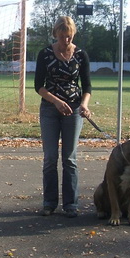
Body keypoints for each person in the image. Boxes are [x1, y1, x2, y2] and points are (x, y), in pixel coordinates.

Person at [34, 16, 92, 217]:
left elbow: (87, 86)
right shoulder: (45, 54)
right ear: (55, 34)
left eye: (69, 36)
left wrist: (84, 105)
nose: (65, 40)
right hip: (50, 110)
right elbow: (38, 86)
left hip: (73, 110)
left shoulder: (81, 55)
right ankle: (49, 203)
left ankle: (71, 204)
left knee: (70, 158)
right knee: (50, 157)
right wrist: (56, 101)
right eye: (61, 37)